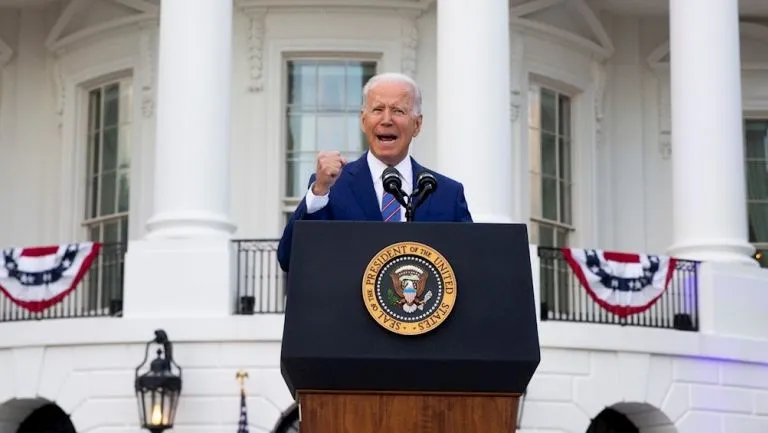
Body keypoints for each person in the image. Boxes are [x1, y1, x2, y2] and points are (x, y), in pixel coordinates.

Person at [276, 72, 472, 272]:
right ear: (363, 121)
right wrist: (318, 192)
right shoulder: (332, 187)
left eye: (398, 111)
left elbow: (470, 266)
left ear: (417, 125)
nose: (386, 119)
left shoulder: (446, 194)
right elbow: (289, 258)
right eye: (378, 109)